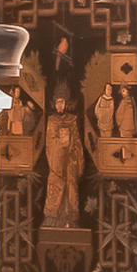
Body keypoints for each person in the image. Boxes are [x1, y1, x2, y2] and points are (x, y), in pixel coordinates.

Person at [42, 92, 85, 227]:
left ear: (66, 104)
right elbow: (50, 142)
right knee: (55, 186)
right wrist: (61, 145)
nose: (60, 105)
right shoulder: (51, 120)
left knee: (71, 189)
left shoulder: (72, 119)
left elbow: (77, 140)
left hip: (70, 162)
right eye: (58, 102)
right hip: (57, 162)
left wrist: (74, 150)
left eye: (63, 102)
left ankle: (70, 220)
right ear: (54, 105)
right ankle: (53, 220)